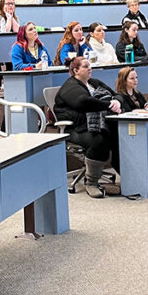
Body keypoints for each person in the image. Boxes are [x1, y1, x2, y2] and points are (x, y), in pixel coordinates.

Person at [53, 56, 122, 197]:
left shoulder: (94, 83)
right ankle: (91, 182)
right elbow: (83, 102)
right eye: (85, 66)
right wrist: (109, 104)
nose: (89, 68)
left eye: (89, 65)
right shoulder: (70, 86)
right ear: (76, 70)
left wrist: (117, 102)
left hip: (97, 124)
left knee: (119, 134)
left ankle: (131, 176)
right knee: (100, 140)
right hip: (75, 129)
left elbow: (116, 95)